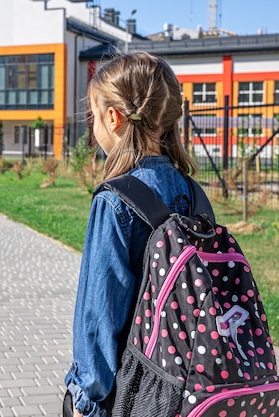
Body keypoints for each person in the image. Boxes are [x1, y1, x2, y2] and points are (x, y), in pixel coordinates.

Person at [64, 51, 198, 417]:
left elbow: (100, 311)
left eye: (94, 116)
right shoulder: (192, 192)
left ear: (113, 118)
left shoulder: (116, 200)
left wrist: (86, 396)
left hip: (130, 392)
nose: (93, 127)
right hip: (187, 386)